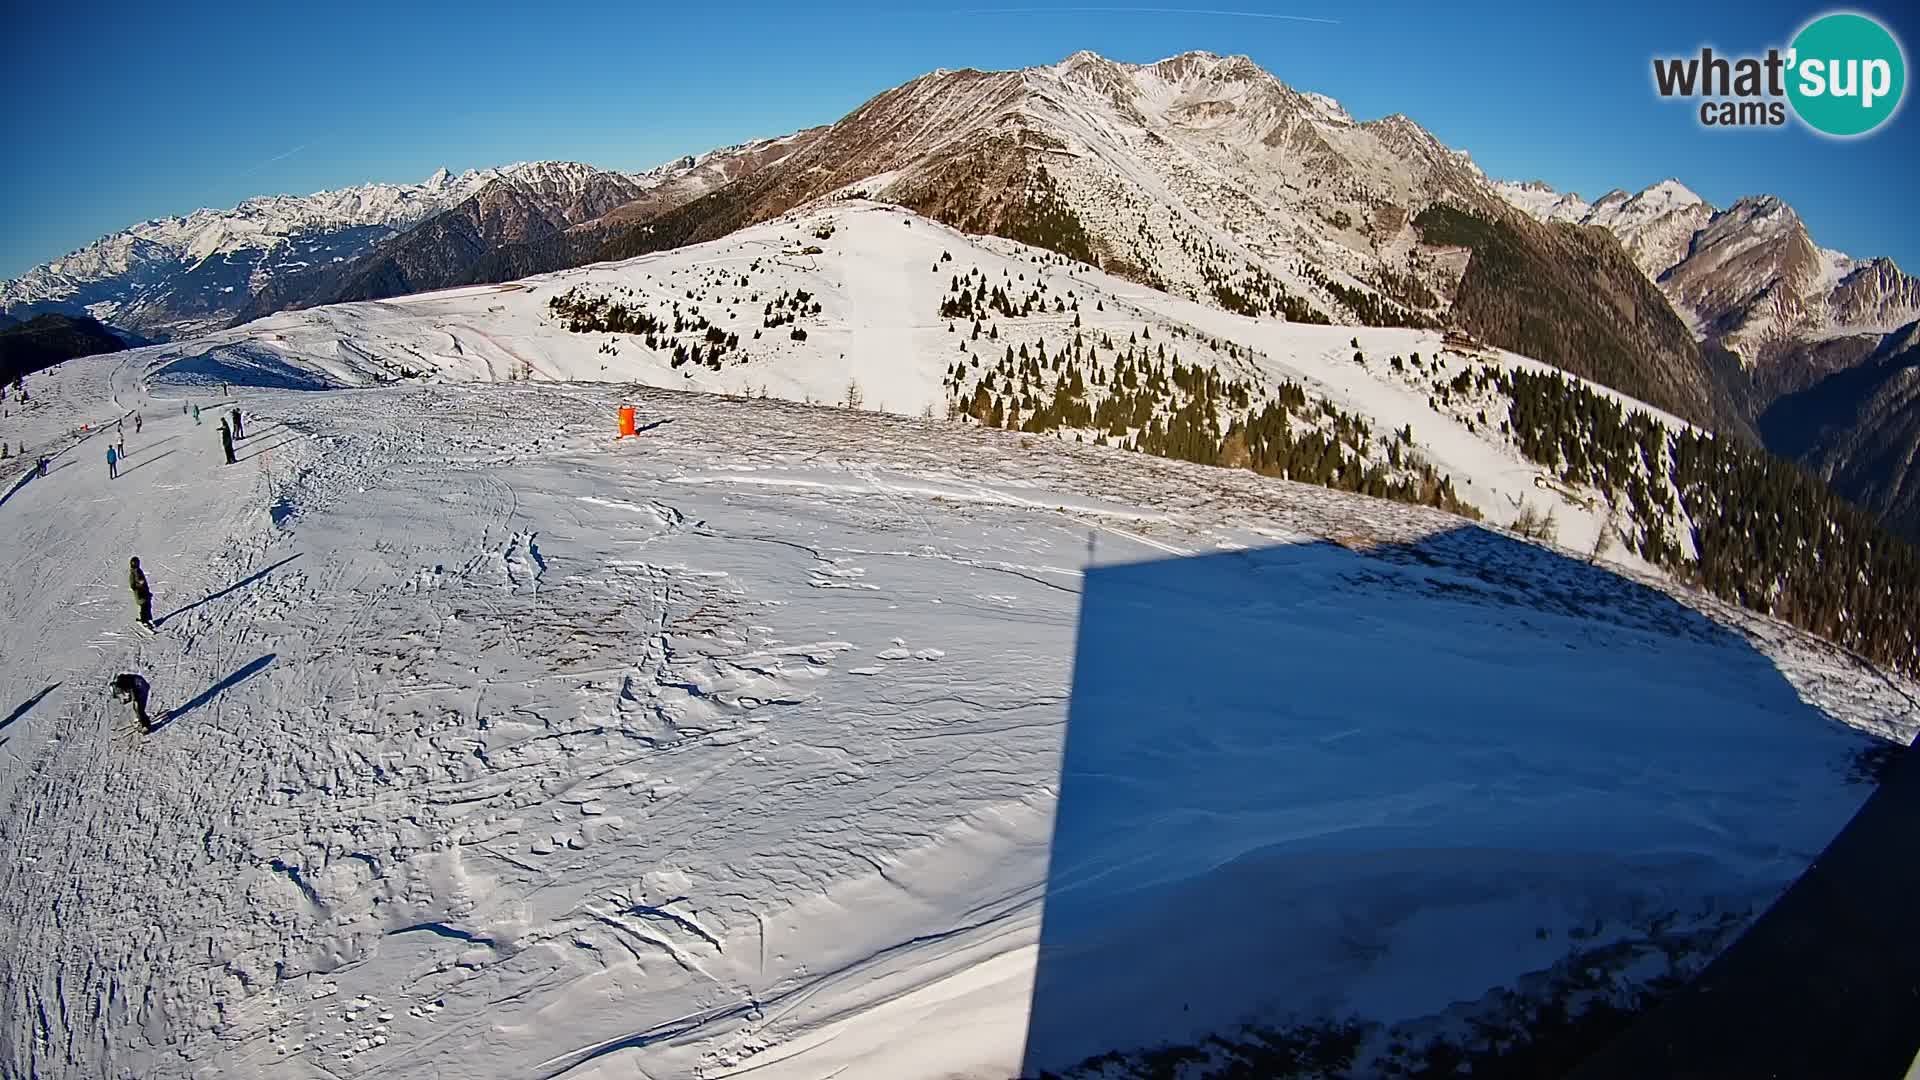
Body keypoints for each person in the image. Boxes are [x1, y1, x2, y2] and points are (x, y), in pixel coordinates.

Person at [129, 556, 154, 628]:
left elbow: (143, 581)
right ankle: (144, 620)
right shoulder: (133, 573)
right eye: (135, 563)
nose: (136, 564)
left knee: (148, 605)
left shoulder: (138, 571)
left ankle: (148, 619)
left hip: (144, 591)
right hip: (139, 593)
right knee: (144, 606)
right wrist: (138, 585)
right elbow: (132, 585)